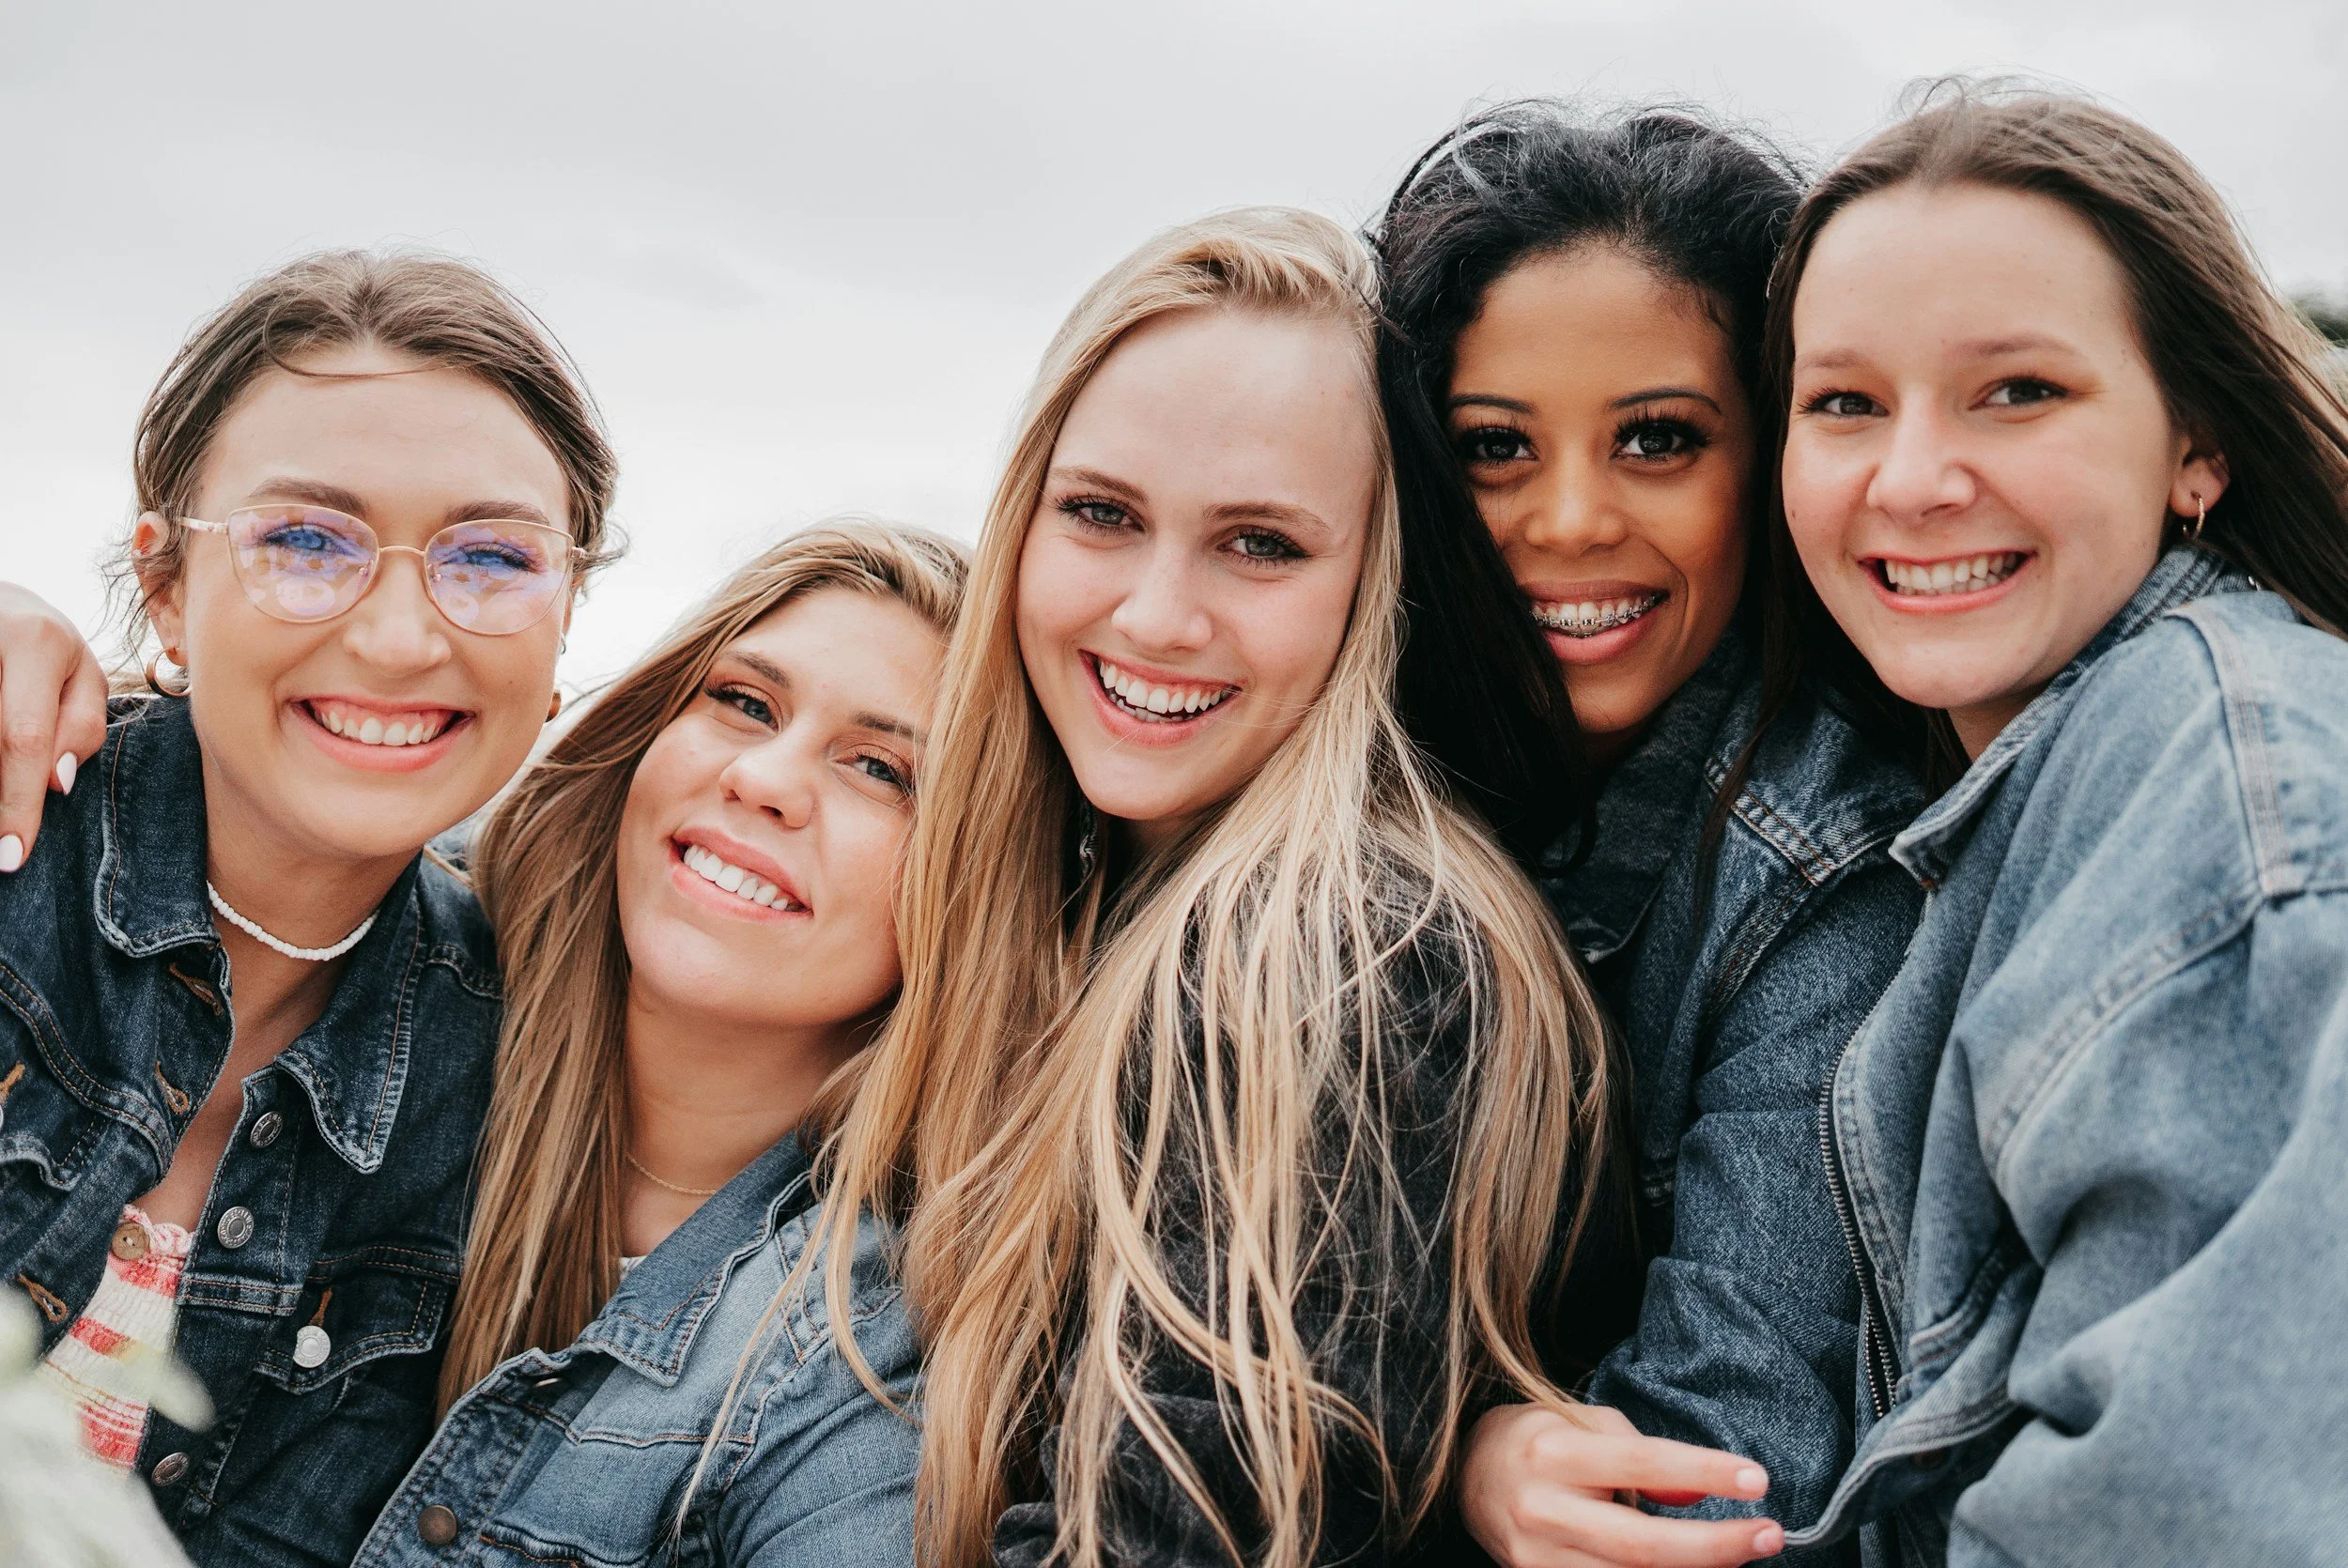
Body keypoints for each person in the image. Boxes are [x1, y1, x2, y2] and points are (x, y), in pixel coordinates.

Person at [795, 208, 1615, 1568]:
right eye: (1102, 514)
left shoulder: (1340, 951)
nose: (1158, 616)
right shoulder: (1073, 899)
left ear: (1373, 583)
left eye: (1261, 545)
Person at [1759, 85, 2348, 1565]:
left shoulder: (2232, 794)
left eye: (2017, 390)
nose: (1909, 479)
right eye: (1843, 402)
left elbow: (2186, 1517)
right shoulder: (2027, 778)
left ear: (2195, 445)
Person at [1371, 101, 1927, 1565]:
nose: (1568, 519)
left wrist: (1469, 1466)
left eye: (1660, 439)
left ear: (1779, 447)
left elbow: (1705, 1479)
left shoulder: (1825, 867)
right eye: (1494, 447)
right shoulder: (1329, 772)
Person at [0, 249, 615, 1566]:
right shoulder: (11, 846)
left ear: (567, 623)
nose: (401, 635)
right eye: (305, 540)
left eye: (492, 556)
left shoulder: (510, 1078)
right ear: (164, 584)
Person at [350, 522, 964, 1565]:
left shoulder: (869, 1358)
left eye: (880, 767)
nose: (764, 776)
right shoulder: (394, 984)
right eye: (744, 702)